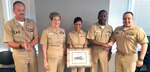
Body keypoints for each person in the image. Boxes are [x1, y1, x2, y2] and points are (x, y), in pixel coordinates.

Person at [3, 1, 38, 72]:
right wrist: (21, 45)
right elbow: (10, 43)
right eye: (19, 10)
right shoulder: (9, 24)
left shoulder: (32, 22)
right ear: (13, 11)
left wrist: (30, 45)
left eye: (23, 10)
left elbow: (36, 38)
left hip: (32, 52)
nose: (22, 12)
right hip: (19, 54)